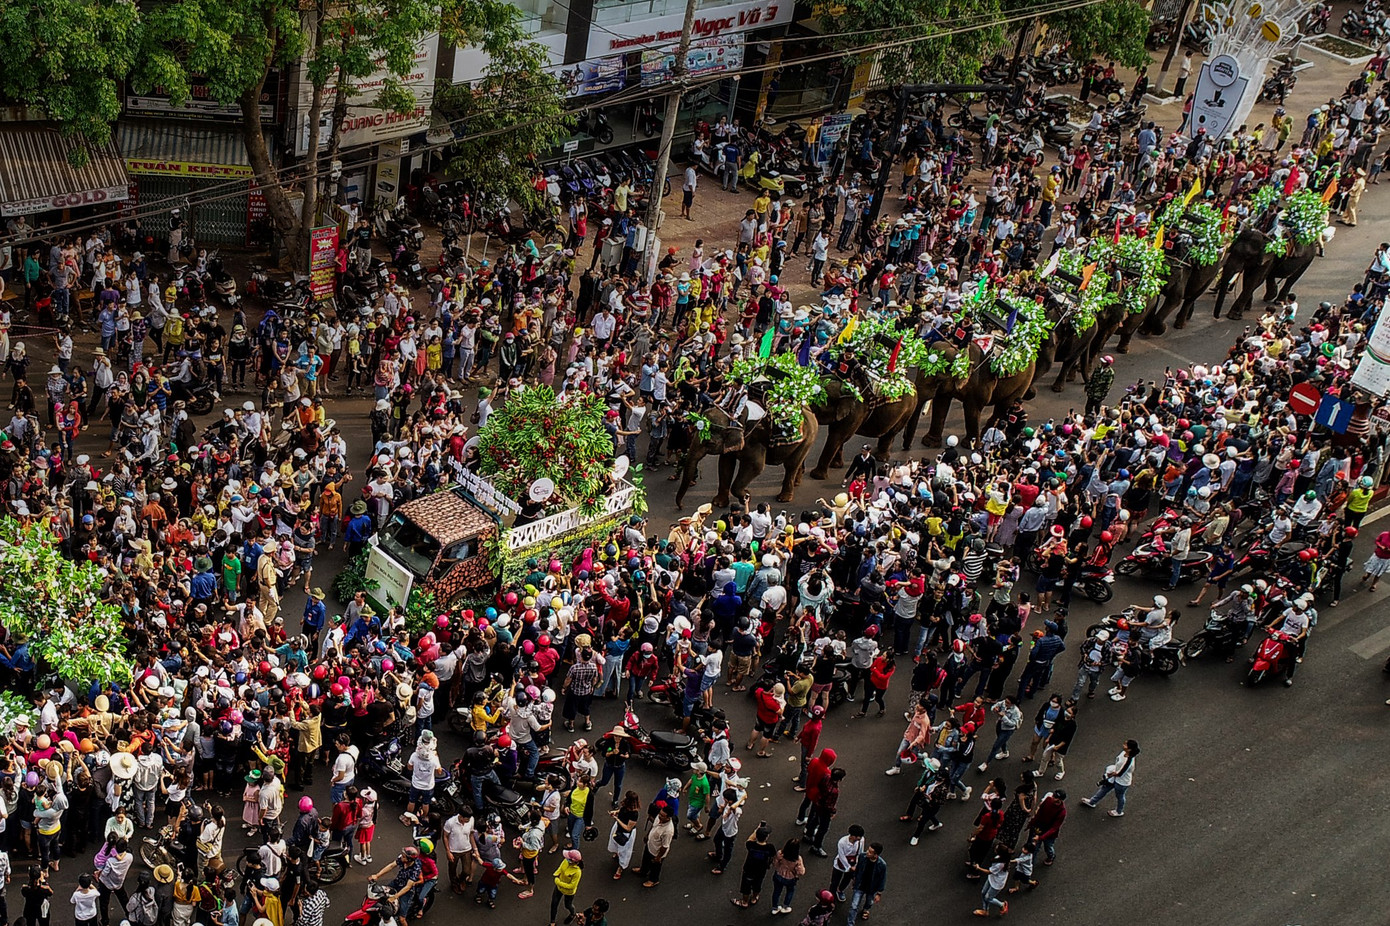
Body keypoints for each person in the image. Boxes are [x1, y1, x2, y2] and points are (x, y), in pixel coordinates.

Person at [1081, 739, 1140, 817]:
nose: (1123, 745)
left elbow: (1120, 773)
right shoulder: (1123, 753)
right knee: (1104, 789)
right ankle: (1092, 802)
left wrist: (1109, 775)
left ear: (1129, 749)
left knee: (1120, 796)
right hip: (1115, 778)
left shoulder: (1129, 761)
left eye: (1125, 745)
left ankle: (1119, 811)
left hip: (1122, 782)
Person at [844, 841, 887, 924]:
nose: (867, 852)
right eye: (868, 850)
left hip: (871, 888)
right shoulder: (862, 856)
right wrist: (854, 878)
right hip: (860, 885)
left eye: (870, 852)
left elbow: (882, 879)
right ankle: (850, 923)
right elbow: (858, 868)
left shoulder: (882, 865)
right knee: (854, 906)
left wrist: (879, 893)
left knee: (869, 902)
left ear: (876, 855)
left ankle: (866, 909)